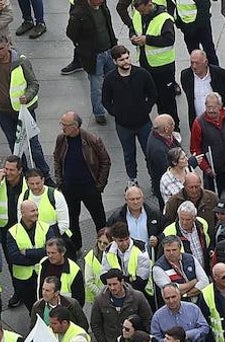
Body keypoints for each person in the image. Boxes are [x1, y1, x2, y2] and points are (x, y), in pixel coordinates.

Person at [0, 34, 49, 176]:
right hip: (3, 111)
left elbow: (34, 84)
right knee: (14, 146)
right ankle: (22, 172)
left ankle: (45, 174)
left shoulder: (21, 62)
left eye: (1, 48)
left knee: (33, 145)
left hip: (24, 111)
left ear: (8, 46)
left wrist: (27, 96)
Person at [53, 111, 110, 253]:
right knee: (72, 220)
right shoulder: (61, 139)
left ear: (75, 126)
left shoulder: (92, 140)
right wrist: (60, 181)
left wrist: (99, 185)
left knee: (99, 219)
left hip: (90, 188)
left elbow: (105, 161)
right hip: (69, 188)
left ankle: (103, 247)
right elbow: (57, 159)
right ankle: (75, 247)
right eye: (62, 124)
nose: (62, 128)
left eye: (65, 125)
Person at [100, 44, 157, 185]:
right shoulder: (110, 79)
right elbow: (106, 101)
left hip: (144, 123)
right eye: (121, 60)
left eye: (127, 58)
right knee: (128, 155)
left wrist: (146, 109)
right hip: (123, 126)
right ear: (114, 62)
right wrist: (117, 113)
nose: (125, 62)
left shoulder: (142, 74)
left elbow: (153, 94)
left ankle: (154, 179)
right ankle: (132, 179)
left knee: (149, 153)